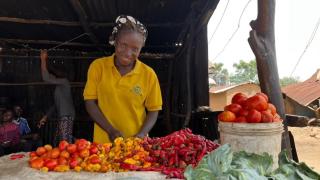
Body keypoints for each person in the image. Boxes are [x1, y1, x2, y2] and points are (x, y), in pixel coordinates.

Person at [83, 15, 162, 143]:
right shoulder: (98, 67)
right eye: (123, 45)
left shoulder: (148, 74)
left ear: (141, 49)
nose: (128, 53)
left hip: (136, 147)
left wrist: (141, 135)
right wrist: (110, 130)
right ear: (115, 41)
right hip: (103, 144)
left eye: (135, 49)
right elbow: (90, 102)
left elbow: (154, 110)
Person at [39, 50, 75, 145]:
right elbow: (55, 105)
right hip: (63, 116)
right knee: (59, 142)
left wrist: (43, 59)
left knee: (64, 143)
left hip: (66, 116)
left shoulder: (64, 82)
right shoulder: (59, 88)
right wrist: (45, 117)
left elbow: (46, 78)